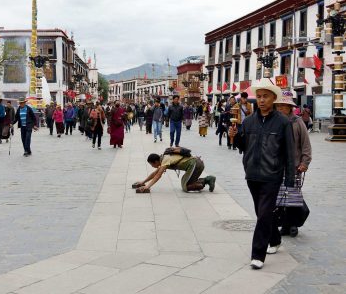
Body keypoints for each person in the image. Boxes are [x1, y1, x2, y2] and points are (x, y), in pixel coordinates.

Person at [229, 78, 295, 270]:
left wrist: (289, 181)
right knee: (262, 213)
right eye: (259, 96)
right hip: (252, 174)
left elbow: (289, 153)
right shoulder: (249, 122)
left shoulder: (283, 123)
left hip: (272, 175)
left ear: (274, 98)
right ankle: (274, 239)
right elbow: (243, 146)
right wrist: (235, 137)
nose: (262, 100)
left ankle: (258, 254)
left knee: (264, 214)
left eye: (265, 96)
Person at [274, 90, 311, 238]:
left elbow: (306, 145)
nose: (281, 108)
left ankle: (294, 224)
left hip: (294, 166)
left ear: (290, 107)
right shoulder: (275, 122)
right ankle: (284, 224)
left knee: (294, 197)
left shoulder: (298, 122)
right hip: (278, 166)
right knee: (280, 197)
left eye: (284, 106)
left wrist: (305, 162)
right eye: (279, 106)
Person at [133, 147, 216, 194]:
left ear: (155, 162)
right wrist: (143, 182)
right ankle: (206, 180)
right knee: (185, 183)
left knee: (186, 187)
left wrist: (147, 186)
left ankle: (207, 179)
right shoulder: (163, 160)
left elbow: (158, 175)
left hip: (195, 164)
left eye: (152, 164)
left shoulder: (165, 159)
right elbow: (155, 173)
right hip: (195, 164)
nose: (152, 166)